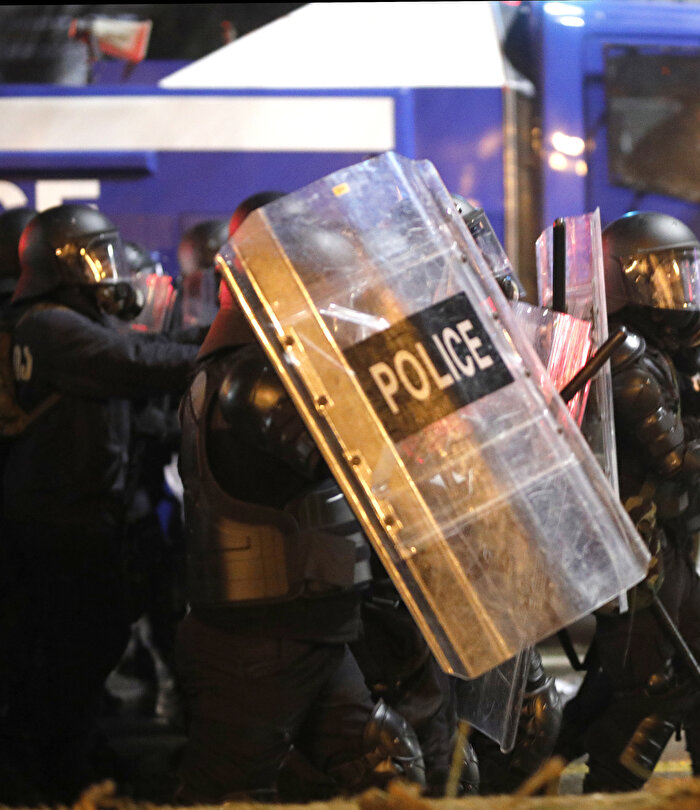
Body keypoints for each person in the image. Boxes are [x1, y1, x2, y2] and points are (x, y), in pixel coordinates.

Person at [173, 191, 424, 802]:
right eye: (325, 287)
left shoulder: (267, 367)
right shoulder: (253, 377)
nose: (336, 304)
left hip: (305, 628)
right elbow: (344, 454)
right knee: (229, 795)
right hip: (257, 644)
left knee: (387, 773)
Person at [555, 211, 700, 792]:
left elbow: (684, 418)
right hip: (635, 555)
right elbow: (678, 456)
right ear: (628, 284)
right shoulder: (622, 354)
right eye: (664, 277)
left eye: (685, 275)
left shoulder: (652, 353)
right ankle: (566, 779)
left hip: (659, 548)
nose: (681, 292)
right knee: (646, 694)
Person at [0, 204, 199, 803]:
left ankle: (66, 758)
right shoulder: (46, 324)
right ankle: (46, 769)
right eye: (93, 257)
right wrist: (227, 351)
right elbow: (133, 363)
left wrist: (219, 335)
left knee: (84, 648)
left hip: (80, 515)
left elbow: (141, 351)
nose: (107, 270)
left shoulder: (67, 320)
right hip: (61, 518)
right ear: (57, 266)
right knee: (72, 652)